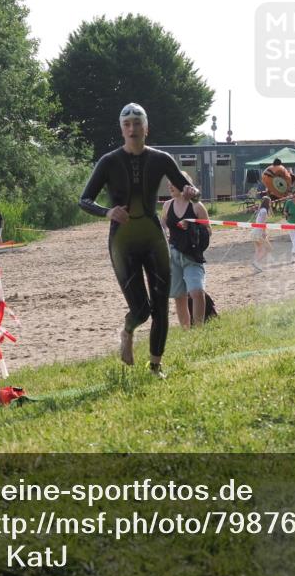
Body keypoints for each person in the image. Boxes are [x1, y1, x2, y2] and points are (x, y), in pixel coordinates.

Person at [79, 102, 201, 378]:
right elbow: (84, 200)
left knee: (161, 306)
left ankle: (156, 365)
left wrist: (193, 192)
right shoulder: (108, 162)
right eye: (127, 124)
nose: (132, 129)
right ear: (121, 129)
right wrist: (107, 211)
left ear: (146, 128)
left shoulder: (161, 159)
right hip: (122, 244)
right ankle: (128, 330)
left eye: (137, 123)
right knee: (141, 310)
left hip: (153, 238)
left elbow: (188, 190)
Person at [162, 173, 211, 330]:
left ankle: (198, 330)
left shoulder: (197, 206)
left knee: (196, 291)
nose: (169, 186)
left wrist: (191, 227)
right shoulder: (167, 205)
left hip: (192, 256)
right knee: (179, 296)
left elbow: (208, 231)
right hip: (173, 255)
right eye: (168, 183)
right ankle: (186, 330)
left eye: (173, 183)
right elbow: (163, 224)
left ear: (185, 185)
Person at [251, 196, 272, 272]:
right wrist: (264, 232)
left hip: (255, 231)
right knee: (268, 248)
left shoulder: (261, 210)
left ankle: (256, 264)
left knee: (258, 249)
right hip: (259, 232)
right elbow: (263, 223)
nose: (270, 204)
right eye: (270, 202)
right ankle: (256, 262)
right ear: (267, 203)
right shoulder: (264, 211)